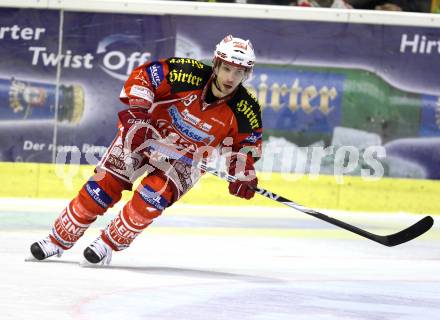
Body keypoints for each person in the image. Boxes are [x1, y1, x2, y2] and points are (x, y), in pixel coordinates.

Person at [29, 35, 263, 265]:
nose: (231, 78)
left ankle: (106, 245)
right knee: (101, 187)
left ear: (246, 74)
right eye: (227, 69)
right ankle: (57, 240)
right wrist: (138, 115)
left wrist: (243, 172)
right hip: (145, 136)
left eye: (239, 72)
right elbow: (144, 77)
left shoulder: (246, 109)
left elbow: (244, 148)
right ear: (216, 64)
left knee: (151, 199)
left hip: (185, 161)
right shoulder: (185, 73)